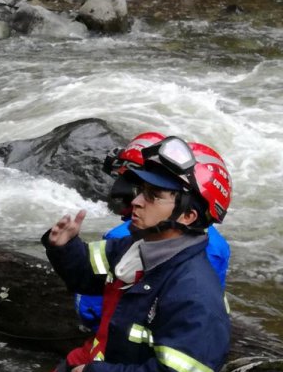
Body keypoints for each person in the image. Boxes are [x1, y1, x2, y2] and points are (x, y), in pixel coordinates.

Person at [23, 134, 233, 372]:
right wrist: (64, 247)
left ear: (188, 216)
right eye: (141, 190)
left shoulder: (195, 293)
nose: (135, 202)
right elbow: (86, 275)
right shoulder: (135, 247)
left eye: (153, 196)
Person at [75, 132, 230, 331]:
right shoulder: (216, 245)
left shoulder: (123, 238)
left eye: (151, 192)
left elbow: (90, 310)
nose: (134, 199)